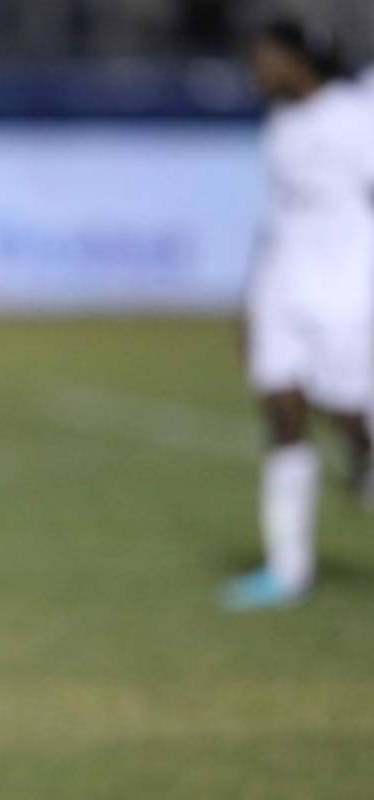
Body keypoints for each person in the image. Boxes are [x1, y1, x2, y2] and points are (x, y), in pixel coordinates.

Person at [223, 19, 374, 611]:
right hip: (283, 286)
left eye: (265, 59)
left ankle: (365, 456)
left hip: (347, 286)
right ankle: (287, 570)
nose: (257, 71)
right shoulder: (281, 126)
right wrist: (249, 301)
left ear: (297, 59)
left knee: (347, 411)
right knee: (282, 410)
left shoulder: (355, 115)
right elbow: (273, 219)